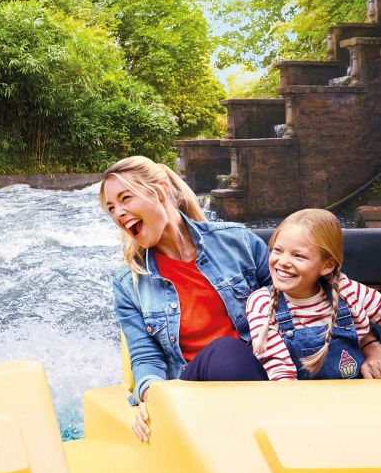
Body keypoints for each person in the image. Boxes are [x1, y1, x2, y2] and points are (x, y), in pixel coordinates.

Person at [100, 156, 272, 443]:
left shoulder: (239, 241)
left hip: (268, 372)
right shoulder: (128, 283)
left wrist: (368, 345)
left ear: (160, 190)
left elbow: (294, 302)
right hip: (193, 392)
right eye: (111, 208)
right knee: (227, 354)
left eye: (125, 198)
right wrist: (151, 395)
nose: (118, 213)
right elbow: (145, 357)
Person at [246, 208, 381, 381]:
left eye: (298, 255)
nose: (283, 261)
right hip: (303, 412)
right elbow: (282, 378)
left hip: (360, 407)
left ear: (327, 265)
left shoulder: (348, 291)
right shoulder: (262, 304)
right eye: (277, 250)